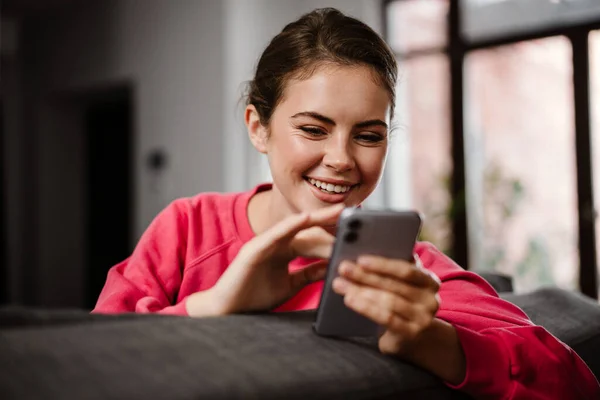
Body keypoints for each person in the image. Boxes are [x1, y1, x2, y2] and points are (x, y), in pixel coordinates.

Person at [93, 8, 600, 399]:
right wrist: (214, 306)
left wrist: (430, 341)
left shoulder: (407, 269)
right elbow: (85, 364)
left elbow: (573, 384)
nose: (340, 159)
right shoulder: (188, 227)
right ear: (258, 127)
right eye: (313, 129)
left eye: (368, 135)